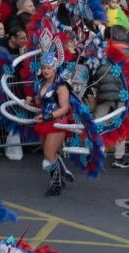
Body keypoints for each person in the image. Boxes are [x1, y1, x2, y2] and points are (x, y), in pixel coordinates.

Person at [32, 50, 76, 197]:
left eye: (49, 68)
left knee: (48, 153)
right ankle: (60, 177)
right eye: (44, 67)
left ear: (55, 68)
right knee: (48, 153)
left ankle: (56, 184)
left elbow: (65, 108)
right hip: (45, 122)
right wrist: (30, 100)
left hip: (57, 123)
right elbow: (39, 101)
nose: (45, 70)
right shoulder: (42, 83)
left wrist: (48, 115)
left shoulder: (61, 86)